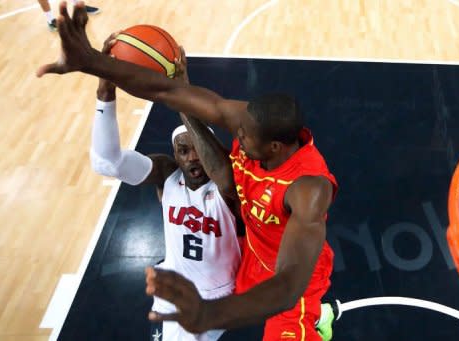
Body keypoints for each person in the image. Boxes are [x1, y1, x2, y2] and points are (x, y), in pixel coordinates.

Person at [37, 3, 338, 340]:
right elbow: (168, 91)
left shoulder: (309, 190)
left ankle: (318, 316)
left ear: (274, 149)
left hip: (290, 279)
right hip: (250, 257)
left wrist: (210, 314)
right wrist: (93, 62)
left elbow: (288, 285)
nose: (235, 135)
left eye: (244, 137)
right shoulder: (251, 123)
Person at [90, 34, 242, 341]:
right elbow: (106, 162)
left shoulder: (231, 184)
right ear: (174, 156)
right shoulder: (167, 177)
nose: (192, 157)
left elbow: (223, 173)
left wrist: (181, 93)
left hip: (214, 299)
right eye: (183, 151)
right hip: (174, 286)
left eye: (197, 147)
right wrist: (105, 90)